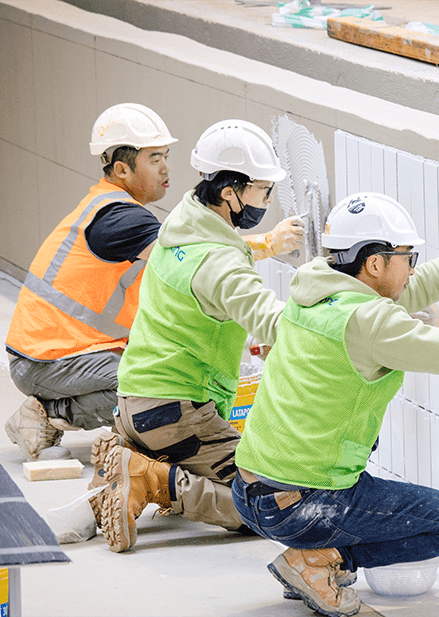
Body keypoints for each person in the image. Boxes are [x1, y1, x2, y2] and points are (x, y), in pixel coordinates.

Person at [231, 192, 439, 617]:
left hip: (250, 493)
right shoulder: (370, 321)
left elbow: (413, 287)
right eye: (408, 256)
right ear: (374, 263)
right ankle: (318, 562)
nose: (413, 267)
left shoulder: (315, 287)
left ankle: (311, 557)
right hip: (303, 506)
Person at [91, 119, 306, 553]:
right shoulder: (218, 261)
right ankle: (158, 480)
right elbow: (277, 321)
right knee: (277, 506)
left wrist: (244, 338)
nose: (269, 201)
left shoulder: (184, 224)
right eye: (264, 191)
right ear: (231, 192)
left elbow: (192, 310)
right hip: (175, 413)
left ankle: (143, 463)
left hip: (138, 403)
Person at [4, 103, 177, 461]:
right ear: (121, 169)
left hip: (64, 350)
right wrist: (267, 244)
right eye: (154, 158)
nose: (165, 167)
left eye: (166, 155)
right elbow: (195, 253)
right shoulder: (118, 220)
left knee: (154, 372)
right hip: (43, 360)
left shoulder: (112, 206)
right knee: (148, 385)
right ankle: (52, 416)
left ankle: (51, 411)